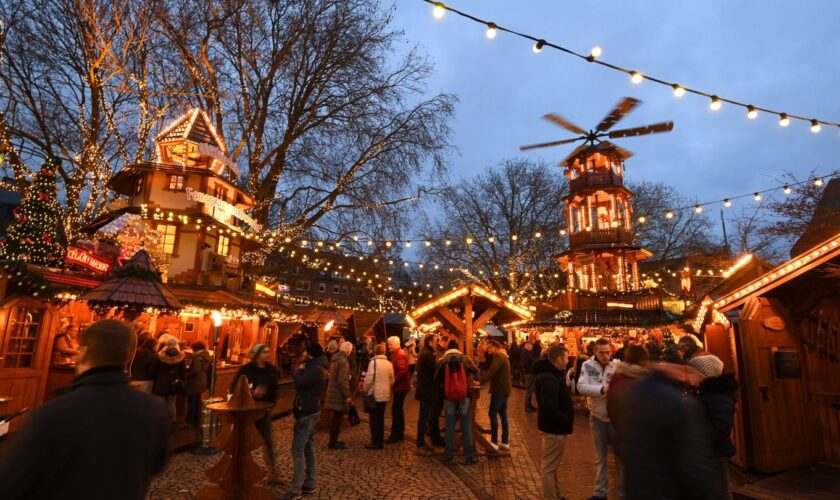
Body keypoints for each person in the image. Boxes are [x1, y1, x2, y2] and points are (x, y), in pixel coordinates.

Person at [0, 320, 170, 500]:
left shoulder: (53, 413)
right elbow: (157, 463)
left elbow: (12, 482)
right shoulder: (154, 410)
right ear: (128, 356)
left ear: (83, 352)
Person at [611, 363, 716, 499]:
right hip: (669, 491)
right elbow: (693, 466)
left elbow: (619, 441)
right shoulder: (682, 404)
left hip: (636, 488)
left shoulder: (631, 392)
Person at [280, 342, 329, 500]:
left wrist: (300, 370)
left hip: (306, 411)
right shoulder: (318, 365)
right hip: (312, 409)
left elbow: (299, 383)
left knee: (298, 450)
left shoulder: (315, 369)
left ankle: (295, 491)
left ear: (311, 353)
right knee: (308, 447)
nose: (304, 353)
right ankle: (310, 482)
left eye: (307, 352)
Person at [689, 354, 737, 500]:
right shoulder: (706, 393)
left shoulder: (718, 396)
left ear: (704, 376)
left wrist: (699, 441)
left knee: (718, 492)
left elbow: (721, 427)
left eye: (693, 373)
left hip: (715, 453)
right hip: (708, 453)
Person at [578, 338, 619, 500]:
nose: (605, 356)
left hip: (616, 419)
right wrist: (602, 390)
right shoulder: (587, 366)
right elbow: (581, 387)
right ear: (595, 352)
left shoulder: (617, 365)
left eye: (608, 352)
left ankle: (622, 494)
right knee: (600, 457)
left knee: (619, 458)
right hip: (597, 417)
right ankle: (600, 492)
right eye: (602, 352)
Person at [230, 344, 279, 481]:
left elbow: (274, 388)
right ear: (257, 354)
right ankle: (239, 471)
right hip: (247, 412)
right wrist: (250, 392)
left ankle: (273, 472)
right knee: (243, 442)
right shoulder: (246, 370)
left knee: (267, 440)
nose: (267, 355)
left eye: (268, 352)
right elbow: (235, 387)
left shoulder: (270, 370)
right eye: (264, 352)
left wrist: (271, 404)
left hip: (263, 411)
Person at [534, 344, 575, 500]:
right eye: (566, 357)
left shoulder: (552, 374)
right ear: (558, 359)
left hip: (555, 428)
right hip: (554, 429)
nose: (567, 360)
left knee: (552, 467)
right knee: (549, 469)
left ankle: (556, 495)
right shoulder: (549, 378)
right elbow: (549, 408)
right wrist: (566, 420)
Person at [434, 340, 479, 465]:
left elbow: (436, 378)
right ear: (458, 348)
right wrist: (475, 381)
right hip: (464, 395)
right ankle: (469, 456)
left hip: (448, 397)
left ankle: (448, 455)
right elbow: (476, 371)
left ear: (447, 348)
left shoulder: (443, 360)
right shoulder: (465, 359)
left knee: (450, 426)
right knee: (466, 426)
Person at [480, 340, 512, 452]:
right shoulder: (502, 355)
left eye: (489, 348)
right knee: (503, 415)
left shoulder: (498, 355)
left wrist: (479, 381)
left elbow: (491, 371)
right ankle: (504, 442)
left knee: (492, 413)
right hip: (503, 389)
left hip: (500, 390)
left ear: (494, 347)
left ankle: (494, 442)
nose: (488, 351)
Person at [415, 333, 444, 454]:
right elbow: (435, 370)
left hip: (426, 390)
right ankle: (420, 445)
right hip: (426, 391)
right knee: (423, 417)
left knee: (425, 416)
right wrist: (440, 362)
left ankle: (423, 442)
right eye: (435, 340)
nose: (437, 342)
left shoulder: (426, 353)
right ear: (429, 342)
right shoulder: (427, 355)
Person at [363, 343, 394, 449]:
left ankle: (375, 442)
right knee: (381, 418)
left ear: (375, 352)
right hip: (384, 395)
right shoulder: (389, 364)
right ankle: (380, 441)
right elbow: (392, 380)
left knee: (373, 419)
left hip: (375, 394)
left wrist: (365, 390)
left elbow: (369, 379)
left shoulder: (373, 362)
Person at [325, 341, 353, 449]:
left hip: (332, 391)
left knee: (335, 417)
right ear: (349, 351)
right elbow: (342, 381)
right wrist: (347, 395)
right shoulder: (343, 362)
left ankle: (333, 440)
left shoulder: (335, 359)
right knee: (337, 418)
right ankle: (333, 442)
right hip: (338, 394)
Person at [151, 337, 186, 421]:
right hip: (175, 383)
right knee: (172, 404)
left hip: (161, 382)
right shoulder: (181, 356)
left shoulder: (159, 355)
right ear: (176, 344)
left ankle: (160, 421)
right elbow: (183, 373)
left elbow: (153, 371)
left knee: (160, 404)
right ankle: (171, 422)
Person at [386, 336, 410, 443]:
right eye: (388, 344)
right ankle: (399, 433)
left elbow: (403, 371)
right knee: (397, 410)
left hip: (401, 387)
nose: (389, 346)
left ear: (397, 344)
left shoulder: (399, 354)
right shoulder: (396, 354)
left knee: (396, 410)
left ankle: (396, 434)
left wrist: (393, 381)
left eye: (391, 344)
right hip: (399, 386)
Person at [185, 341, 211, 427]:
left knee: (192, 402)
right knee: (197, 402)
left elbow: (195, 370)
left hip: (195, 383)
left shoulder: (198, 358)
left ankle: (189, 422)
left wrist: (187, 375)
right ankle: (196, 421)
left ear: (196, 349)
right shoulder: (206, 356)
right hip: (202, 382)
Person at [521, 342, 537, 412]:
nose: (532, 347)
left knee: (530, 389)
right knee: (529, 390)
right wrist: (531, 370)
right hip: (529, 373)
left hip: (530, 373)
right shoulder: (525, 352)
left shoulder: (526, 352)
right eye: (531, 346)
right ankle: (527, 407)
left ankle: (529, 405)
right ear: (527, 345)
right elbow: (526, 364)